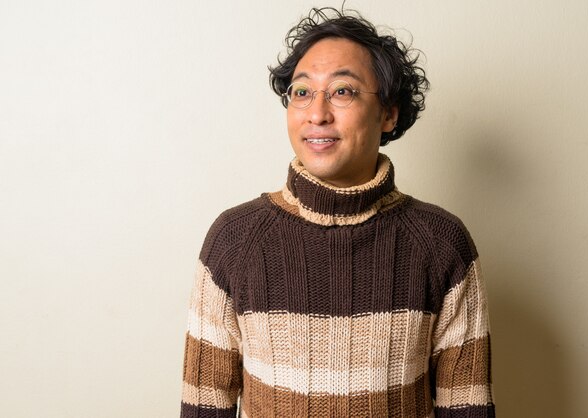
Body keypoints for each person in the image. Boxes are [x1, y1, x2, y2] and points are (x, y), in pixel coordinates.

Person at [180, 7, 495, 418]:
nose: (317, 113)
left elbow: (467, 408)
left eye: (343, 91)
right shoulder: (235, 239)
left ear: (389, 113)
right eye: (302, 92)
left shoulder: (441, 243)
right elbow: (204, 407)